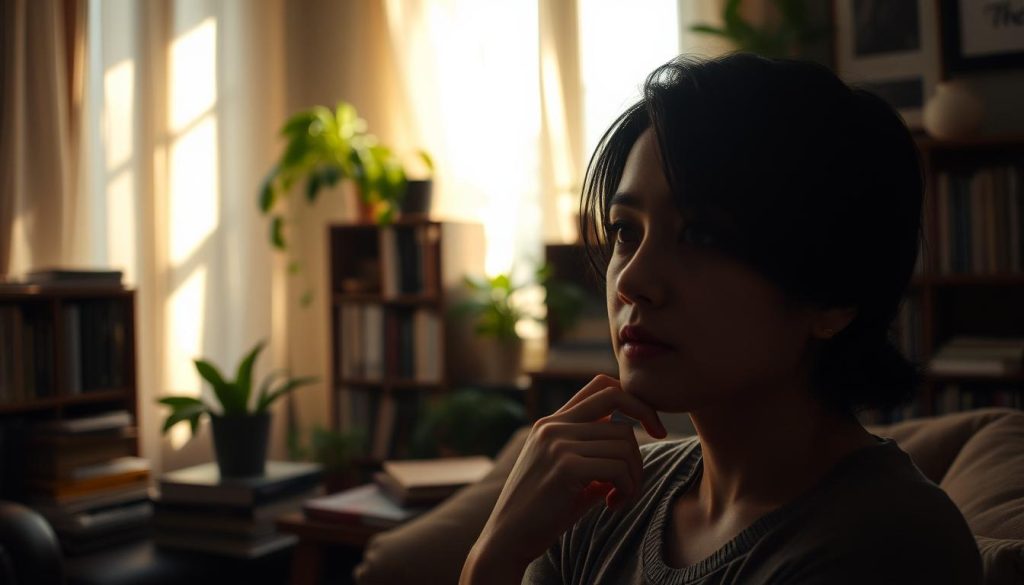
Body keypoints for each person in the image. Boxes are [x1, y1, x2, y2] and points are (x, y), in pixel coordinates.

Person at [460, 53, 984, 584]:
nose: (631, 281)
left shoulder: (890, 543)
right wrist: (497, 550)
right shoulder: (598, 502)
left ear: (831, 299)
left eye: (702, 236)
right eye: (625, 231)